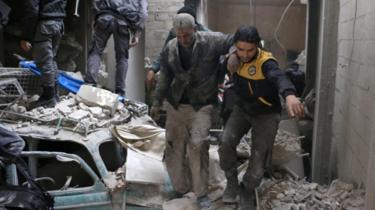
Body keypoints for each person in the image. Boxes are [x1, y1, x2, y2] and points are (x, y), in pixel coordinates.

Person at [150, 13, 233, 210]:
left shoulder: (210, 41)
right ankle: (180, 188)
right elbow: (164, 77)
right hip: (176, 105)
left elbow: (233, 39)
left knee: (198, 147)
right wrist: (156, 102)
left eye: (187, 35)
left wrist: (234, 53)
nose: (183, 40)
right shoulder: (170, 47)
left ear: (195, 30)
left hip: (202, 106)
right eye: (179, 36)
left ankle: (202, 194)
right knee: (173, 149)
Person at [218, 26, 304, 210]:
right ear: (235, 46)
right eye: (240, 49)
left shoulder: (266, 63)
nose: (245, 54)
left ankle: (247, 190)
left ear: (257, 46)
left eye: (250, 50)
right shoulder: (235, 58)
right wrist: (231, 55)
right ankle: (232, 183)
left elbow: (279, 77)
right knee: (225, 142)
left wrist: (289, 95)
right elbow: (221, 61)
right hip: (242, 110)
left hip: (266, 115)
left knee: (258, 164)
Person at [84, 0, 148, 97]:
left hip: (105, 18)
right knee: (122, 58)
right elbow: (143, 12)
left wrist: (95, 17)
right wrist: (137, 32)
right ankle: (120, 92)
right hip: (124, 23)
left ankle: (90, 84)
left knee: (95, 51)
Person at [145, 5, 209, 91]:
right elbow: (165, 53)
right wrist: (152, 70)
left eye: (186, 34)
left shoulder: (206, 35)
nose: (182, 39)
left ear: (194, 28)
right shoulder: (173, 33)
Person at [20, 0, 68, 109]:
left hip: (45, 25)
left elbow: (32, 9)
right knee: (51, 60)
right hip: (59, 23)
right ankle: (54, 95)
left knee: (44, 61)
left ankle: (48, 97)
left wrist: (26, 36)